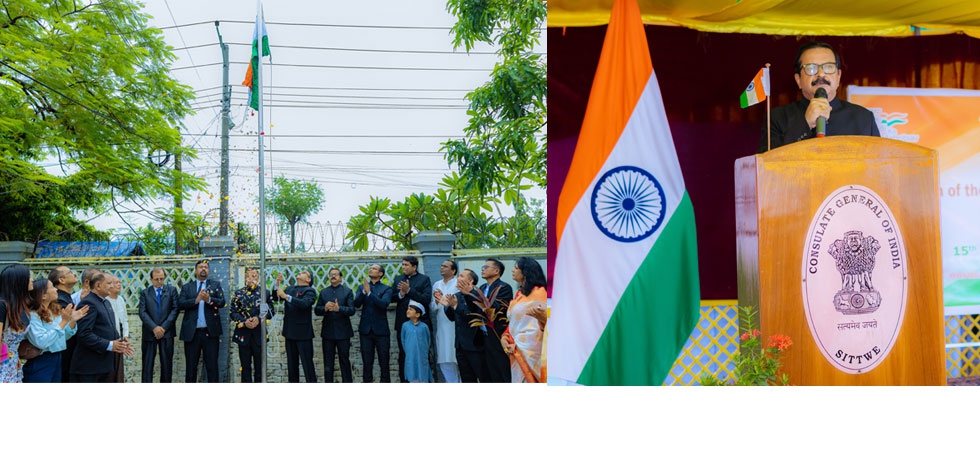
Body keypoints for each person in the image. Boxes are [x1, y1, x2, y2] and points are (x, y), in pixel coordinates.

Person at [759, 41, 880, 152]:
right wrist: (804, 124)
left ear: (838, 77)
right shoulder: (777, 118)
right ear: (798, 80)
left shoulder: (863, 118)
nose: (821, 74)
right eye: (811, 68)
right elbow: (765, 163)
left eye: (828, 67)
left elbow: (880, 164)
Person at [70, 271, 135, 382]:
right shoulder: (88, 303)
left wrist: (121, 344)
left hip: (104, 365)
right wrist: (110, 345)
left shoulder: (105, 302)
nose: (113, 286)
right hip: (90, 367)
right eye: (109, 283)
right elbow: (84, 334)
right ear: (98, 285)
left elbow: (108, 329)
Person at [23, 278, 87, 383]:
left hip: (57, 357)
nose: (56, 289)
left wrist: (72, 321)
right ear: (43, 295)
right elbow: (41, 342)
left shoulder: (53, 310)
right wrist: (63, 322)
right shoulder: (33, 315)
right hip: (41, 359)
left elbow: (62, 337)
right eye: (52, 287)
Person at [500, 257, 548, 383]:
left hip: (532, 350)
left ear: (526, 271)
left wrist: (543, 319)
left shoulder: (541, 293)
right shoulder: (519, 294)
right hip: (515, 348)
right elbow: (515, 323)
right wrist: (505, 338)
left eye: (516, 268)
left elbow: (548, 323)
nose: (512, 270)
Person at [178, 259, 225, 383]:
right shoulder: (187, 287)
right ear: (195, 270)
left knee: (212, 367)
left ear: (208, 271)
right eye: (200, 267)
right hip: (192, 334)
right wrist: (196, 300)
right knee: (191, 367)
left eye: (205, 267)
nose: (203, 269)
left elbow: (222, 302)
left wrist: (209, 299)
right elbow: (180, 304)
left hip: (210, 333)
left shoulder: (215, 285)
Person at [391, 256, 432, 383]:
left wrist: (409, 290)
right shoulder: (399, 279)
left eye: (406, 265)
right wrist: (401, 294)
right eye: (402, 264)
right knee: (404, 354)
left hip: (420, 323)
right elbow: (391, 298)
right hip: (403, 324)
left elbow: (426, 299)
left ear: (414, 267)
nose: (403, 267)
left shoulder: (424, 280)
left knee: (422, 353)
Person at [441, 269, 486, 382]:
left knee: (483, 376)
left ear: (470, 280)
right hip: (460, 345)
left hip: (475, 344)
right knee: (466, 378)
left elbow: (473, 316)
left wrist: (456, 306)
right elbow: (452, 318)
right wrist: (447, 306)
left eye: (461, 276)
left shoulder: (476, 295)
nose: (458, 278)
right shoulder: (456, 295)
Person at [230, 267, 273, 383]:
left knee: (260, 368)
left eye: (254, 276)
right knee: (245, 367)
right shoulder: (239, 293)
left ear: (258, 278)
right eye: (248, 276)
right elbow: (233, 312)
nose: (251, 279)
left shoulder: (265, 293)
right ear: (245, 279)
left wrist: (259, 319)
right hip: (243, 335)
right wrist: (244, 322)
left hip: (259, 336)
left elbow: (270, 311)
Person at [473, 258, 514, 382]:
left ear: (496, 271)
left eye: (486, 267)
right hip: (483, 336)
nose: (483, 269)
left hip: (497, 335)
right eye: (483, 267)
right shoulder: (482, 287)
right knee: (487, 374)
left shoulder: (504, 287)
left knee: (501, 371)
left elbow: (499, 309)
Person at [137, 268, 180, 383]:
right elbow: (142, 312)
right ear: (151, 279)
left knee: (166, 365)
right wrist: (154, 327)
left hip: (167, 333)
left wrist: (164, 327)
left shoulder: (172, 291)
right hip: (149, 333)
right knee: (147, 364)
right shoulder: (145, 293)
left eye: (162, 279)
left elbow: (175, 310)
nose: (160, 282)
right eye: (156, 279)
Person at [276, 270, 318, 383]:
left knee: (307, 365)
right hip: (289, 333)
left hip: (303, 334)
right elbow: (276, 298)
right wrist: (277, 284)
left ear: (308, 279)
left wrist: (287, 297)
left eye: (304, 272)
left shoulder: (310, 291)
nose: (300, 272)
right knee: (292, 366)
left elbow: (304, 304)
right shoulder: (290, 289)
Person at [314, 267, 355, 383]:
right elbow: (317, 310)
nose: (333, 276)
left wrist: (339, 308)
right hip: (328, 333)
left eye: (336, 274)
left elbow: (352, 310)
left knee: (344, 361)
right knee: (328, 362)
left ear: (340, 278)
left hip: (343, 332)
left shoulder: (347, 291)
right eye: (331, 274)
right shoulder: (324, 292)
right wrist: (325, 308)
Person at [354, 264, 393, 383]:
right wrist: (364, 293)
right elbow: (356, 304)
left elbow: (383, 304)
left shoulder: (387, 289)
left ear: (380, 274)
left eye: (374, 268)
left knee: (384, 363)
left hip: (381, 331)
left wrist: (370, 294)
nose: (371, 269)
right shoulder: (362, 287)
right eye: (370, 268)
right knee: (367, 363)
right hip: (365, 330)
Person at [0, 264, 36, 383]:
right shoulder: (2, 306)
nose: (32, 279)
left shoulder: (21, 307)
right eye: (28, 277)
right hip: (3, 363)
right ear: (18, 281)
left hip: (13, 363)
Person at [430, 259, 460, 383]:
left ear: (453, 270)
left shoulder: (458, 283)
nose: (441, 268)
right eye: (441, 266)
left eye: (445, 266)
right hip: (442, 325)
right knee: (444, 357)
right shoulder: (437, 284)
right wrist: (437, 302)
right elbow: (432, 307)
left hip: (455, 324)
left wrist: (448, 302)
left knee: (457, 357)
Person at [48, 266, 79, 382]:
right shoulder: (59, 300)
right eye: (70, 272)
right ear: (61, 280)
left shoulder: (66, 296)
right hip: (63, 349)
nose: (74, 274)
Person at [106, 274, 130, 382]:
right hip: (110, 340)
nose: (119, 284)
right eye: (116, 282)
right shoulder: (105, 301)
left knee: (119, 371)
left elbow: (124, 319)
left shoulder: (121, 299)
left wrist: (125, 335)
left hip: (120, 339)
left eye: (119, 282)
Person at [400, 300, 431, 383]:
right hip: (410, 355)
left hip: (422, 356)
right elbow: (403, 340)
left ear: (417, 314)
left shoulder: (424, 327)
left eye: (411, 309)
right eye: (408, 309)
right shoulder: (405, 326)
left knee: (422, 373)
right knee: (412, 374)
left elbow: (428, 341)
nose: (408, 311)